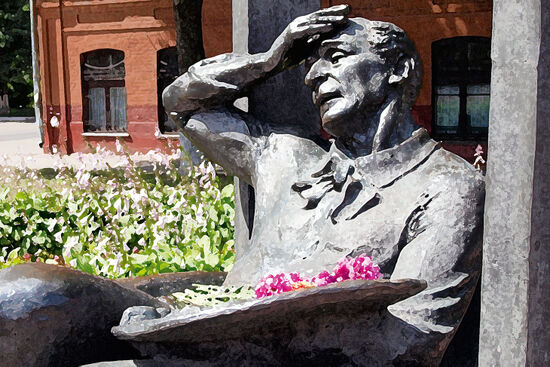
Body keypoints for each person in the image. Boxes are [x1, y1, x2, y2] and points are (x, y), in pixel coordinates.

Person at [163, 5, 484, 365]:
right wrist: (270, 60)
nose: (313, 76)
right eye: (308, 65)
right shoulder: (285, 156)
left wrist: (242, 337)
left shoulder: (447, 187)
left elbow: (407, 341)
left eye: (335, 56)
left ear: (398, 69)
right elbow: (183, 106)